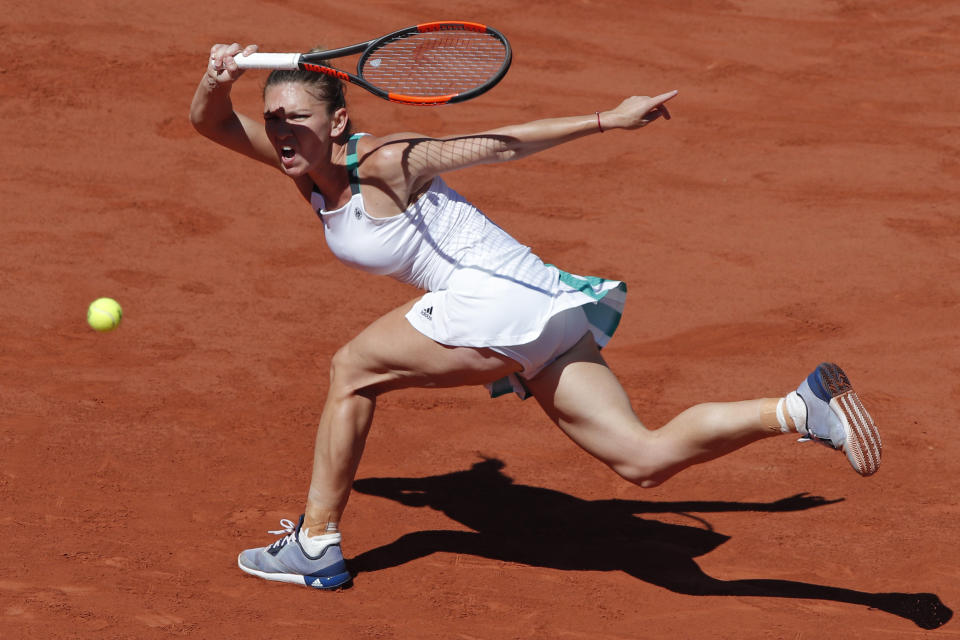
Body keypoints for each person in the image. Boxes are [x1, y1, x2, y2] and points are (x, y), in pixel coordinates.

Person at [190, 42, 882, 590]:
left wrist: (607, 118)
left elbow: (501, 143)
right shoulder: (302, 166)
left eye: (295, 118)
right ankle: (800, 409)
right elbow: (210, 121)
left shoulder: (386, 160)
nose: (279, 131)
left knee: (350, 372)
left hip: (492, 303)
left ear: (337, 122)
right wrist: (219, 77)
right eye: (274, 119)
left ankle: (315, 543)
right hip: (545, 307)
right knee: (642, 462)